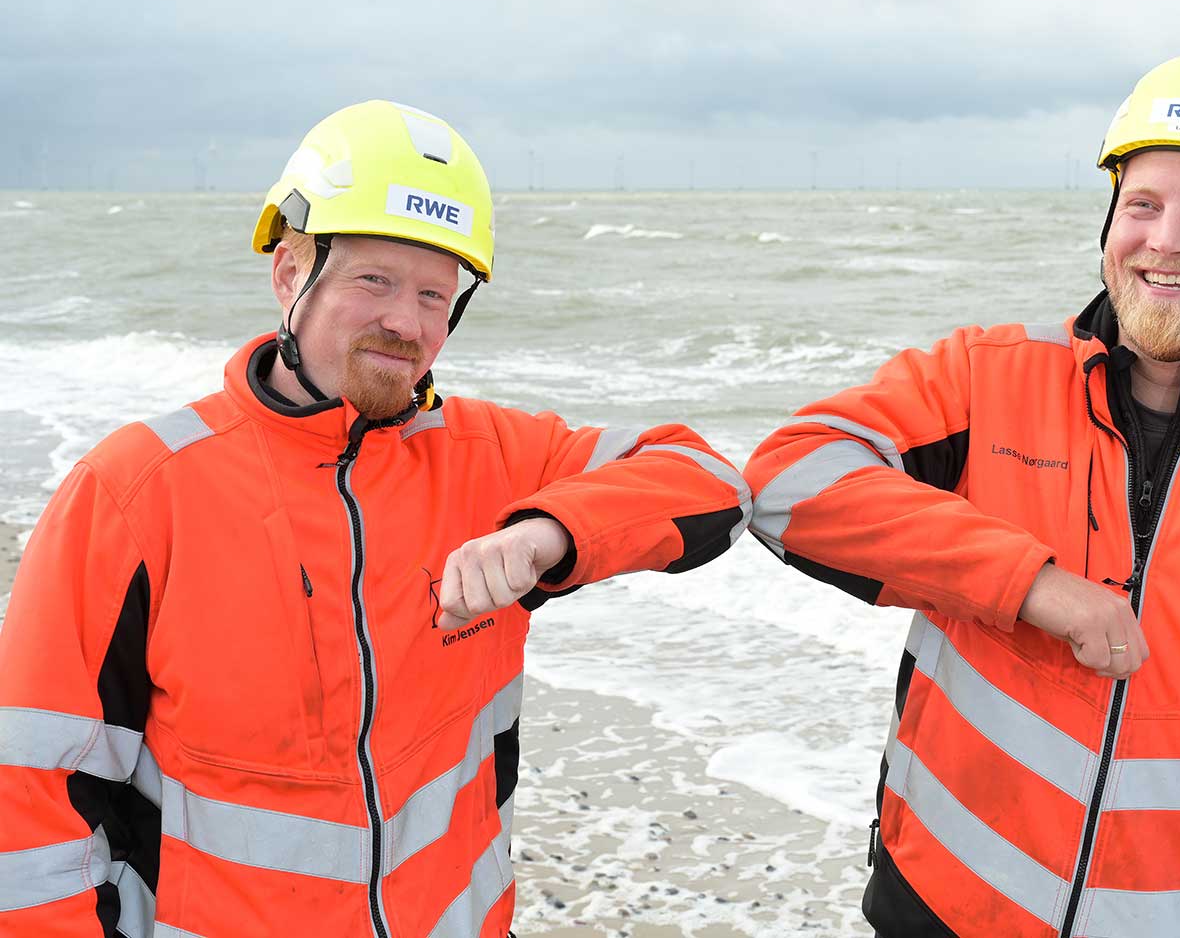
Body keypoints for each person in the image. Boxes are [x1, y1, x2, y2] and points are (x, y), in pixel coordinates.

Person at [744, 54, 1180, 938]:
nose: (1168, 240)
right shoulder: (986, 379)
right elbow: (790, 478)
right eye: (1144, 204)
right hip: (941, 902)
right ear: (1110, 219)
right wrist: (1029, 584)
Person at [0, 100, 750, 937]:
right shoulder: (133, 491)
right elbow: (30, 800)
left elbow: (706, 477)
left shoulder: (492, 460)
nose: (407, 321)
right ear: (290, 274)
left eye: (436, 294)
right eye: (374, 281)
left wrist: (548, 532)